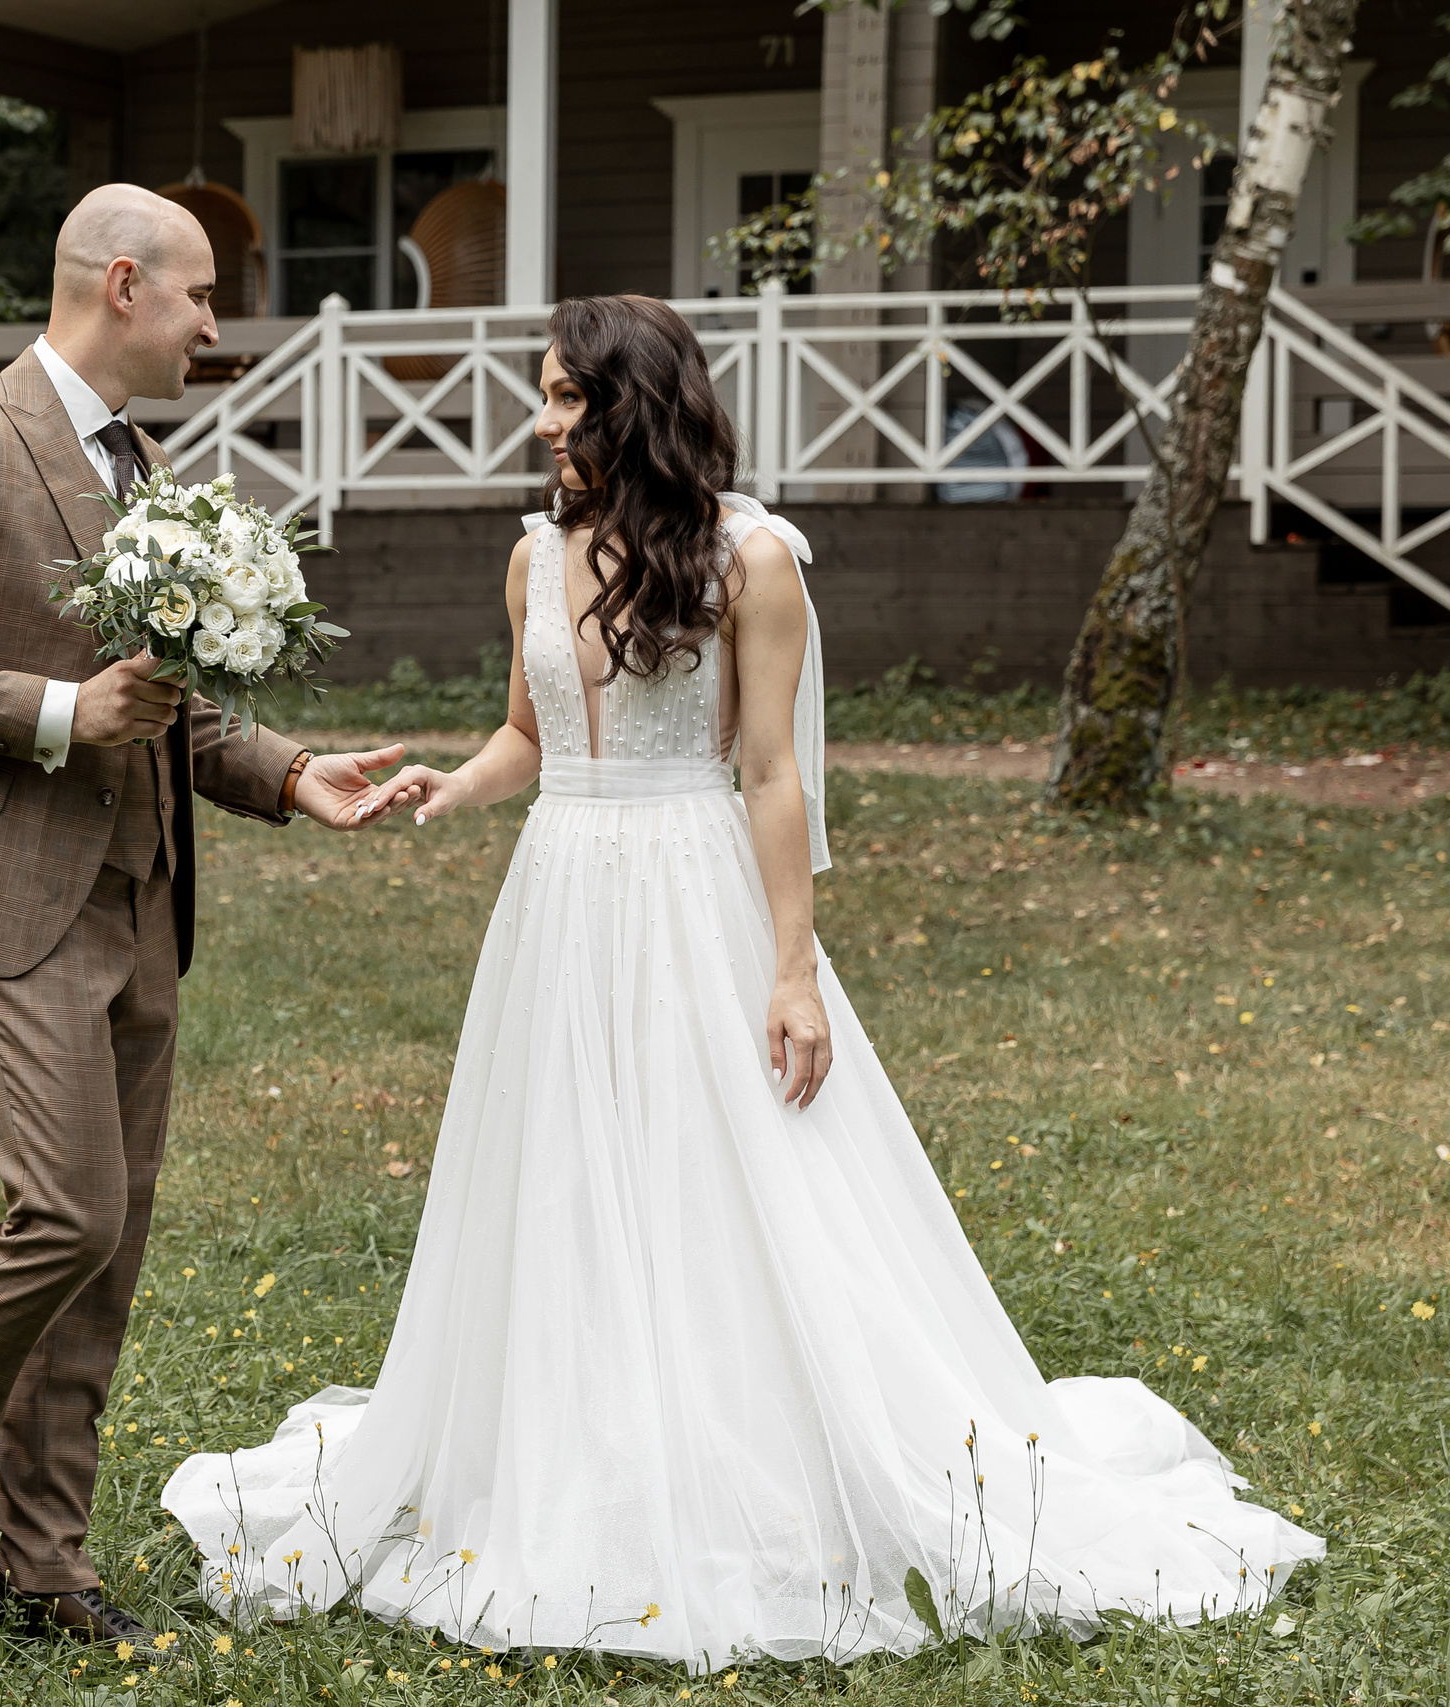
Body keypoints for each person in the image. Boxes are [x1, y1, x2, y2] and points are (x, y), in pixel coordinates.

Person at [160, 295, 1322, 1670]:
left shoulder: (753, 561)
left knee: (724, 1170)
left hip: (694, 888)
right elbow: (531, 732)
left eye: (563, 398)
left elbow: (772, 772)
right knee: (570, 1169)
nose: (541, 422)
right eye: (542, 396)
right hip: (562, 896)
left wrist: (793, 973)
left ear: (631, 405)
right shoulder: (534, 558)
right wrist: (454, 783)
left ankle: (739, 1442)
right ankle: (583, 1428)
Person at [0, 184, 404, 1648]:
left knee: (114, 1236)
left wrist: (284, 775)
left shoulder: (145, 462)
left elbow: (166, 707)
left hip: (140, 900)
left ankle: (48, 1557)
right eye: (203, 297)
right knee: (64, 1208)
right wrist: (58, 710)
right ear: (126, 285)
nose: (217, 326)